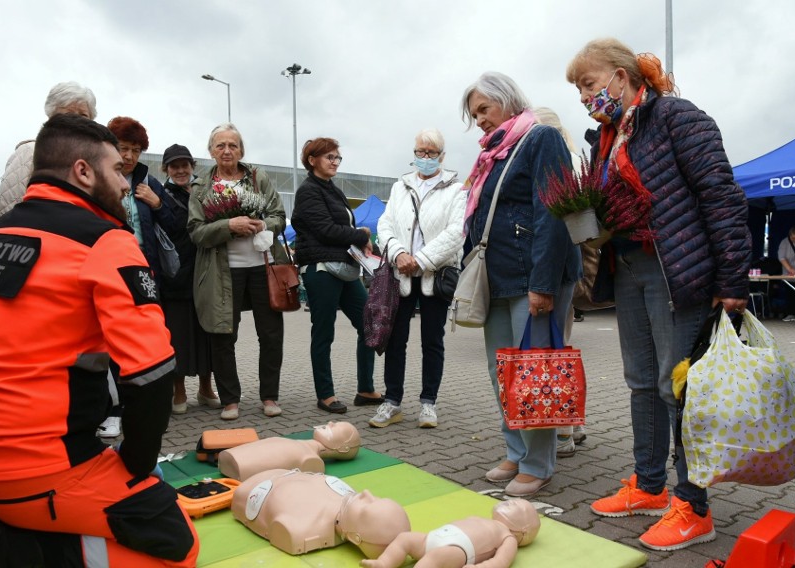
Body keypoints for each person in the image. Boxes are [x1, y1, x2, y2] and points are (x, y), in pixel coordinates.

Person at [0, 114, 198, 566]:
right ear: (83, 172)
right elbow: (153, 373)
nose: (126, 184)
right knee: (177, 544)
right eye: (117, 171)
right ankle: (7, 551)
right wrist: (136, 465)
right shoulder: (105, 241)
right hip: (38, 474)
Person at [566, 38, 750, 551]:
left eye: (588, 83)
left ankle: (694, 506)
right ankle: (649, 487)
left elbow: (720, 192)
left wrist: (733, 279)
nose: (584, 97)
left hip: (678, 272)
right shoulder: (607, 137)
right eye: (578, 89)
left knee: (680, 389)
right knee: (641, 382)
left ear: (622, 77)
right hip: (628, 268)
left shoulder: (676, 117)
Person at [461, 72, 580, 498]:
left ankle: (537, 463)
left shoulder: (540, 138)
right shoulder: (494, 153)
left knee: (533, 374)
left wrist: (543, 284)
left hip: (531, 277)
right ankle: (515, 450)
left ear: (507, 101)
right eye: (474, 114)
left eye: (483, 110)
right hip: (497, 280)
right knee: (503, 373)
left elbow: (551, 212)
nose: (479, 121)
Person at [188, 123, 289, 420]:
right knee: (223, 336)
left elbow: (279, 217)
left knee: (271, 335)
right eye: (220, 146)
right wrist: (228, 226)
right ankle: (230, 400)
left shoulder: (258, 178)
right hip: (223, 271)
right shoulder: (201, 187)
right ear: (211, 152)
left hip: (262, 267)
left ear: (241, 150)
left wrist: (263, 224)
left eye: (232, 145)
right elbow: (195, 232)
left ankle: (269, 397)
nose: (227, 150)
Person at [369, 128, 466, 429]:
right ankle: (392, 401)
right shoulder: (401, 186)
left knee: (432, 341)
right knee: (395, 340)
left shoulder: (456, 189)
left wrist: (421, 260)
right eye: (420, 152)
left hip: (435, 275)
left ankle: (428, 403)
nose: (424, 158)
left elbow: (456, 232)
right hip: (402, 275)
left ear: (441, 155)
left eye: (431, 152)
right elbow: (385, 224)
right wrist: (399, 254)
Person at [290, 138, 384, 414]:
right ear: (311, 160)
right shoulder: (307, 191)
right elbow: (326, 230)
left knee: (368, 324)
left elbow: (344, 231)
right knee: (324, 332)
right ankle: (325, 394)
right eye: (329, 157)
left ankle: (365, 389)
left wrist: (372, 247)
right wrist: (363, 234)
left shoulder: (334, 190)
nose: (334, 162)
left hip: (346, 267)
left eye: (337, 158)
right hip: (320, 269)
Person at [98, 116, 178, 438]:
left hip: (147, 272)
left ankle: (145, 403)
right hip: (109, 269)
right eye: (123, 148)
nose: (129, 156)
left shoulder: (150, 182)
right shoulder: (99, 178)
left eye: (135, 149)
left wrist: (157, 204)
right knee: (111, 340)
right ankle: (113, 409)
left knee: (146, 338)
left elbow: (176, 224)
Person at [533, 106, 589, 457]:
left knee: (550, 353)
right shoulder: (576, 160)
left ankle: (563, 429)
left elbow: (551, 222)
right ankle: (573, 425)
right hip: (569, 266)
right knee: (561, 348)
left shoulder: (554, 160)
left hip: (553, 269)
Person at [158, 144, 220, 414]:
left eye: (185, 165)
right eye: (174, 166)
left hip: (205, 272)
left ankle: (206, 389)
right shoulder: (160, 194)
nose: (181, 170)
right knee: (178, 335)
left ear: (192, 166)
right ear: (166, 170)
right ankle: (178, 390)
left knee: (207, 334)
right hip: (175, 276)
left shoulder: (205, 190)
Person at [231, 468, 410, 558]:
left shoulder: (302, 527)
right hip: (281, 472)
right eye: (377, 498)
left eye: (366, 507)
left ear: (356, 538)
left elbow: (282, 528)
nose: (366, 493)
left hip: (252, 488)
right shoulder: (344, 495)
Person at [0, 81, 97, 220]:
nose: (76, 120)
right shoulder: (30, 152)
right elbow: (5, 207)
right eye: (68, 113)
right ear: (51, 116)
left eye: (83, 115)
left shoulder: (95, 159)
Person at [360, 498, 540, 568]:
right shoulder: (482, 519)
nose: (507, 502)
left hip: (458, 550)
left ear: (523, 529)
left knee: (434, 559)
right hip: (435, 537)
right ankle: (383, 563)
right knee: (405, 538)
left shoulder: (508, 538)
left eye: (514, 505)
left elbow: (501, 562)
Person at [218, 421, 360, 480]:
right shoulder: (301, 448)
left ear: (343, 448)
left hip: (239, 467)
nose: (330, 423)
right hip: (233, 457)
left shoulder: (312, 461)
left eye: (337, 427)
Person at [777, 225, 795, 321]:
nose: (793, 239)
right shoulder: (785, 242)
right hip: (789, 273)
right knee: (791, 294)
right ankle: (791, 314)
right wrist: (790, 269)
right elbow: (781, 257)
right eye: (792, 237)